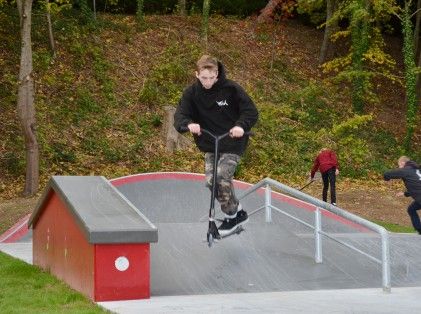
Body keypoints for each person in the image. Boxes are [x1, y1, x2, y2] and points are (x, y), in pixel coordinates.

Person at [174, 55, 258, 236]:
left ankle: (234, 215)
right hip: (211, 143)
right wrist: (188, 124)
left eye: (212, 78)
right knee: (211, 182)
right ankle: (236, 213)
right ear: (196, 74)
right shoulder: (191, 93)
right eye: (204, 78)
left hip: (233, 142)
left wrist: (240, 126)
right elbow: (181, 114)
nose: (208, 82)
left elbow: (250, 112)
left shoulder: (231, 89)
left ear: (217, 74)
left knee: (221, 176)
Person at [384, 156, 421, 234]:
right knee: (411, 209)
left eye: (399, 165)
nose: (399, 167)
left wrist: (386, 179)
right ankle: (419, 229)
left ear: (402, 163)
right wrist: (405, 193)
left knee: (411, 209)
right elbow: (417, 186)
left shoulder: (406, 170)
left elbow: (388, 174)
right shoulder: (417, 170)